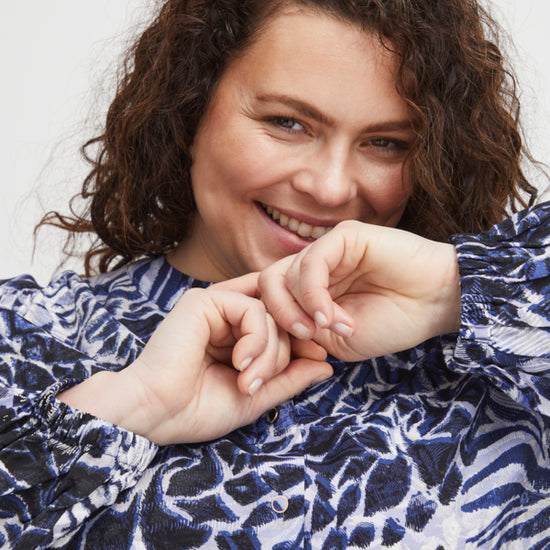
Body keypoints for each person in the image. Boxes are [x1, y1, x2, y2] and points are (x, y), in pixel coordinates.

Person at [0, 0, 549, 549]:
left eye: (385, 143)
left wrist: (448, 291)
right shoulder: (26, 337)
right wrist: (132, 406)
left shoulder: (498, 359)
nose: (330, 188)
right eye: (287, 123)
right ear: (189, 110)